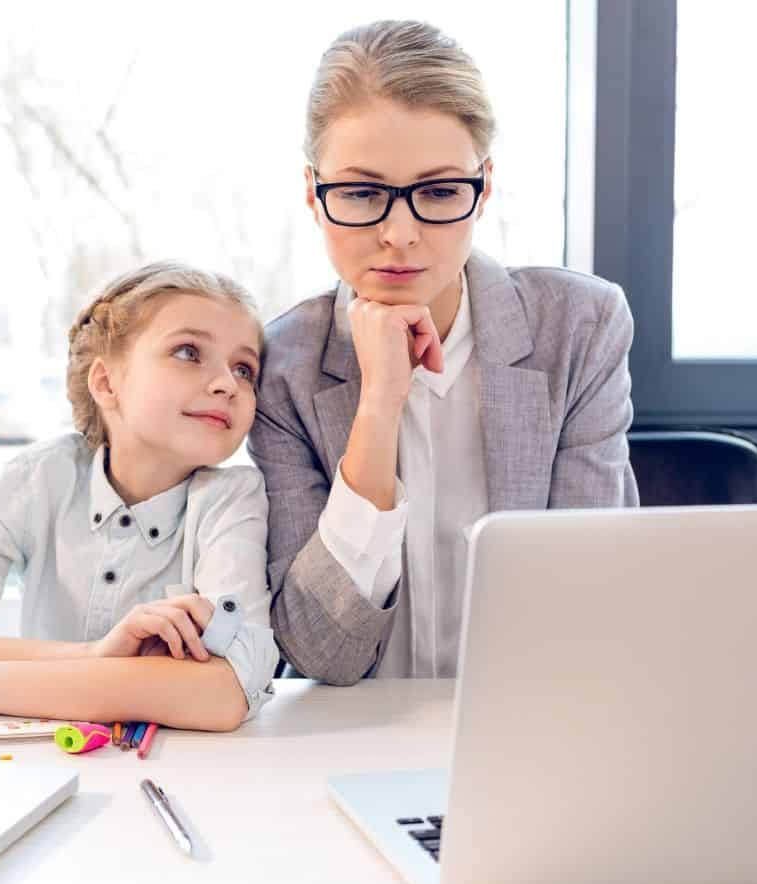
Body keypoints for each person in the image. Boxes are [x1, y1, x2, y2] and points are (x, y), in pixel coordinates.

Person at [249, 20, 638, 686]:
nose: (398, 235)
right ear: (315, 195)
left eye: (436, 193)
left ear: (482, 187)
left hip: (532, 726)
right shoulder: (281, 366)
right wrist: (378, 408)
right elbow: (318, 656)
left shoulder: (579, 329)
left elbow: (593, 603)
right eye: (363, 193)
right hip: (352, 745)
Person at [0, 261, 278, 731]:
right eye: (189, 352)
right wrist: (92, 655)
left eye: (244, 368)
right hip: (36, 766)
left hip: (177, 773)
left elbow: (229, 692)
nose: (226, 384)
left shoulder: (232, 499)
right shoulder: (39, 477)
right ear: (106, 382)